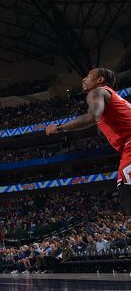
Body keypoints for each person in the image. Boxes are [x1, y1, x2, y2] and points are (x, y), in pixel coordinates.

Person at [45, 68, 131, 212]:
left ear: (100, 80)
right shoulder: (115, 98)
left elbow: (92, 117)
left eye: (89, 76)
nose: (83, 79)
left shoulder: (98, 92)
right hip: (126, 147)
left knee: (127, 194)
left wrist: (60, 128)